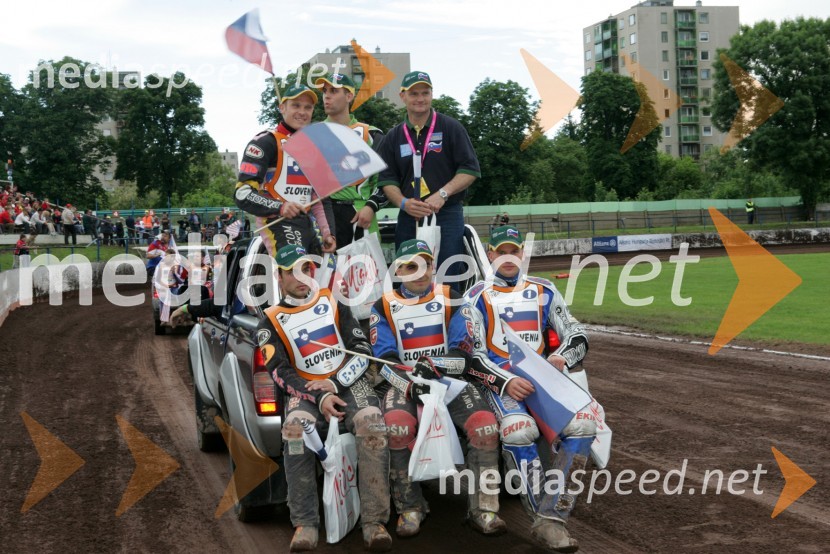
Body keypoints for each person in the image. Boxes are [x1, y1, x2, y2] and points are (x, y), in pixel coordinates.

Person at [457, 225, 596, 553]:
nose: (509, 257)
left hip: (544, 383)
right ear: (490, 255)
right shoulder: (474, 296)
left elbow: (577, 333)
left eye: (515, 251)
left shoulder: (545, 289)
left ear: (523, 254)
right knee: (519, 429)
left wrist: (561, 356)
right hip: (501, 385)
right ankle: (545, 519)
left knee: (585, 425)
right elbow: (471, 357)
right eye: (501, 251)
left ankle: (550, 517)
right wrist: (505, 381)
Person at [256, 244, 392, 552]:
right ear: (279, 276)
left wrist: (334, 383)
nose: (300, 278)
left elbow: (362, 351)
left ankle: (374, 522)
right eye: (291, 272)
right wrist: (317, 397)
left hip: (346, 382)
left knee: (372, 423)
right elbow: (280, 372)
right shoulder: (270, 320)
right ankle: (305, 523)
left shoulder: (333, 302)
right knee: (294, 430)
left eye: (306, 269)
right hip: (305, 392)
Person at [370, 239, 505, 538]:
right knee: (396, 427)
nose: (419, 272)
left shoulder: (452, 297)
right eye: (410, 266)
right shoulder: (383, 305)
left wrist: (437, 366)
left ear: (433, 267)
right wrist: (410, 385)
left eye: (425, 264)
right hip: (405, 383)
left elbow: (463, 353)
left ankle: (484, 509)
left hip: (448, 381)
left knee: (484, 426)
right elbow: (384, 360)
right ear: (399, 271)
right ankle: (410, 507)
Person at [377, 71, 480, 290]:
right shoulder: (393, 136)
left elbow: (470, 170)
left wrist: (443, 193)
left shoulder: (451, 128)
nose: (420, 98)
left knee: (448, 274)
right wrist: (403, 203)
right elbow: (387, 180)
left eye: (425, 92)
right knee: (409, 274)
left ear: (432, 94)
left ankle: (452, 321)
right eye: (414, 93)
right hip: (409, 215)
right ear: (402, 96)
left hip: (446, 213)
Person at [235, 84, 337, 259]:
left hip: (307, 224)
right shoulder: (264, 142)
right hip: (276, 222)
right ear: (282, 108)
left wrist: (327, 233)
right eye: (296, 105)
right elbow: (242, 193)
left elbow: (316, 199)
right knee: (296, 274)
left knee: (325, 278)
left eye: (308, 107)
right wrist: (280, 207)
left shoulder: (313, 147)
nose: (302, 112)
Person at [315, 73, 388, 248]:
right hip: (324, 218)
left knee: (366, 274)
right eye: (325, 91)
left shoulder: (371, 134)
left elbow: (386, 181)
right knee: (326, 275)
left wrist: (371, 206)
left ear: (349, 96)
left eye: (334, 91)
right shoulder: (312, 135)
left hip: (361, 215)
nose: (327, 95)